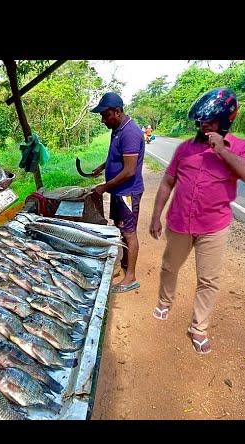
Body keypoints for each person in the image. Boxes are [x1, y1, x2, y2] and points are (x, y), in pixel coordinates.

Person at [149, 87, 245, 354]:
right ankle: (165, 301)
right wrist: (156, 215)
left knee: (208, 280)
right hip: (179, 221)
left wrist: (223, 151)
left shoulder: (241, 147)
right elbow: (167, 182)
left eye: (209, 121)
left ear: (226, 120)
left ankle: (198, 327)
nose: (203, 126)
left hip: (213, 226)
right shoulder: (184, 149)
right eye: (200, 121)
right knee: (169, 266)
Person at [90, 92, 145, 293]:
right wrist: (102, 167)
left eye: (105, 115)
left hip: (127, 193)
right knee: (120, 229)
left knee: (129, 233)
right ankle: (124, 265)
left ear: (118, 111)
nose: (103, 120)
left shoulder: (130, 132)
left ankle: (131, 277)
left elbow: (130, 170)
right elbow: (117, 157)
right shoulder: (117, 129)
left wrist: (104, 187)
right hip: (118, 191)